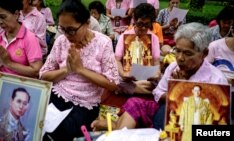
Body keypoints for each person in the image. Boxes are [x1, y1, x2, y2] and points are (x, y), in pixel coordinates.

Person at [91, 22, 228, 131]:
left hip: (189, 123)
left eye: (188, 53)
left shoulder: (216, 80)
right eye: (177, 51)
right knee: (136, 103)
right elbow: (157, 93)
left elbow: (216, 121)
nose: (180, 58)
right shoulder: (174, 67)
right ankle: (119, 130)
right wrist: (174, 89)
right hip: (166, 109)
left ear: (204, 53)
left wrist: (183, 89)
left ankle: (117, 126)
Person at [39, 0, 120, 140]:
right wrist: (67, 70)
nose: (67, 35)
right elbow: (43, 75)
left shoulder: (103, 43)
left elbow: (112, 83)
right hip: (59, 93)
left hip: (86, 102)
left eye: (71, 30)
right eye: (62, 29)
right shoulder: (61, 41)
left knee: (60, 134)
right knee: (37, 125)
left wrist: (81, 69)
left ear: (87, 23)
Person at [0, 0, 43, 77]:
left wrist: (8, 63)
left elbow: (36, 70)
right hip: (0, 80)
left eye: (3, 17)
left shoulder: (29, 38)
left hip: (20, 85)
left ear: (16, 14)